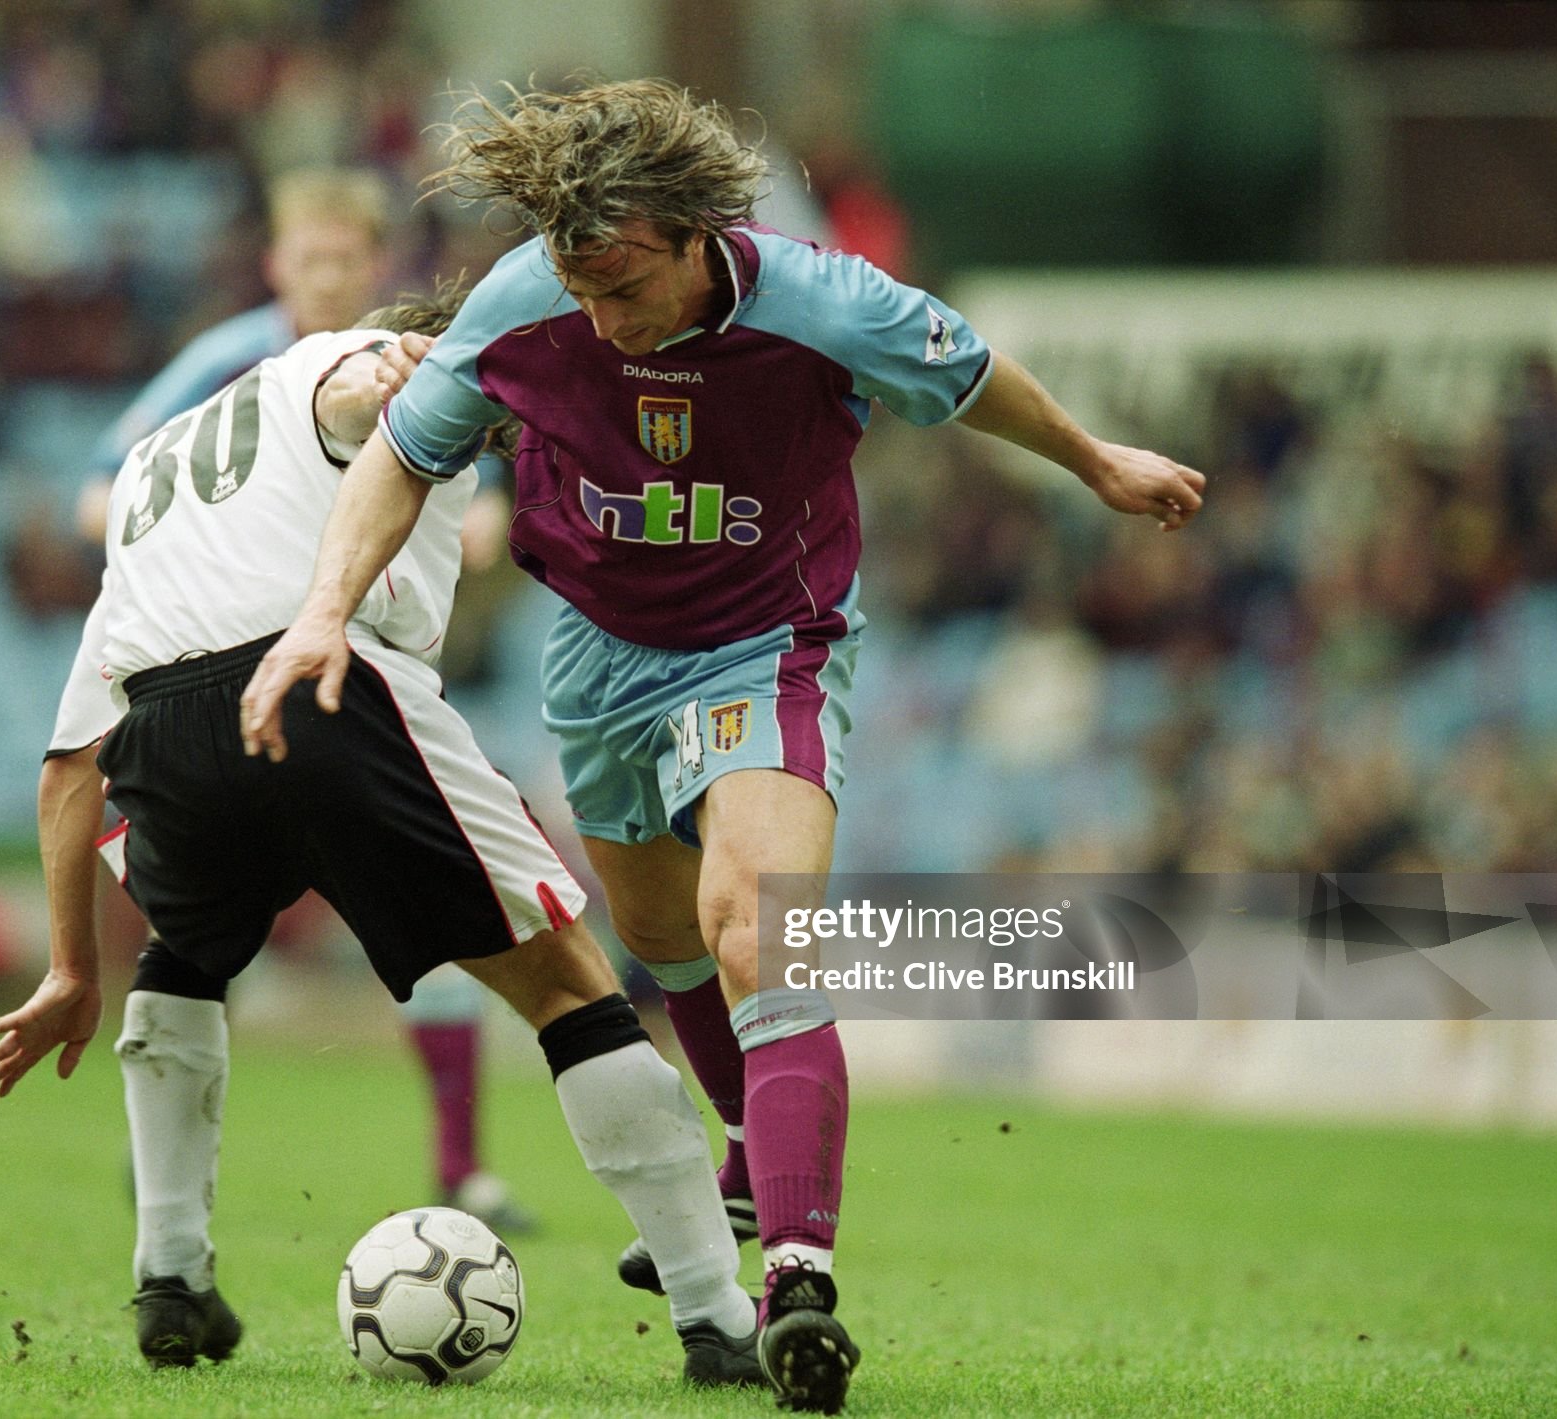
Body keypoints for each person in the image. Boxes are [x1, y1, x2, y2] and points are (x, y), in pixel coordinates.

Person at [237, 79, 1207, 1415]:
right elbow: (401, 456)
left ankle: (798, 1280)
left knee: (753, 924)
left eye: (624, 285)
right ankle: (749, 1146)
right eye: (580, 287)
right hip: (596, 650)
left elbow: (969, 371)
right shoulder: (524, 301)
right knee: (661, 940)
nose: (599, 317)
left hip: (765, 642)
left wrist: (1093, 460)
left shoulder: (821, 300)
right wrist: (321, 614)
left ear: (695, 235)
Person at [0, 285, 766, 1389]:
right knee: (567, 982)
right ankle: (716, 1315)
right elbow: (351, 395)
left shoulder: (160, 469)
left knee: (183, 955)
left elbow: (68, 765)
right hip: (323, 687)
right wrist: (394, 374)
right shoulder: (377, 363)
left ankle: (170, 1277)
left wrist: (69, 966)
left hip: (162, 726)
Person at [83, 165, 530, 1227]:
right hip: (232, 672)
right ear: (276, 262)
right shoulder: (225, 363)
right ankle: (162, 1160)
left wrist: (481, 522)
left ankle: (460, 1163)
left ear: (374, 264)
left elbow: (491, 506)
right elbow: (100, 492)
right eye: (310, 258)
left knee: (440, 917)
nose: (328, 276)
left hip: (373, 669)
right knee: (203, 929)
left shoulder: (412, 364)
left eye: (346, 258)